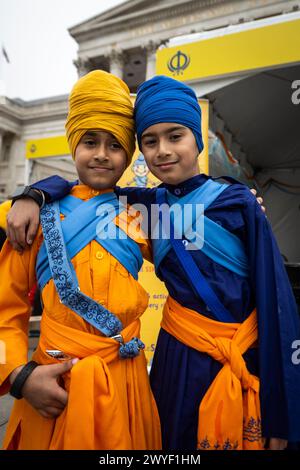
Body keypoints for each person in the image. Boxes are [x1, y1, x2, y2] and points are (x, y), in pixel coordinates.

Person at [7, 76, 299, 451]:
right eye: (149, 141)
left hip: (231, 360)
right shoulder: (128, 209)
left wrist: (283, 408)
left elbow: (276, 304)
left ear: (197, 138)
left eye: (175, 136)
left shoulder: (219, 204)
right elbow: (89, 191)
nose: (162, 150)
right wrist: (31, 193)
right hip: (156, 364)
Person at [0, 70, 161, 450]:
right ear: (74, 144)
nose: (102, 154)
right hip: (53, 387)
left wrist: (241, 206)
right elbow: (4, 314)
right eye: (90, 141)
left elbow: (204, 256)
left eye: (115, 144)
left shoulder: (143, 214)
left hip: (126, 385)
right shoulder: (33, 217)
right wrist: (21, 378)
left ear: (129, 155)